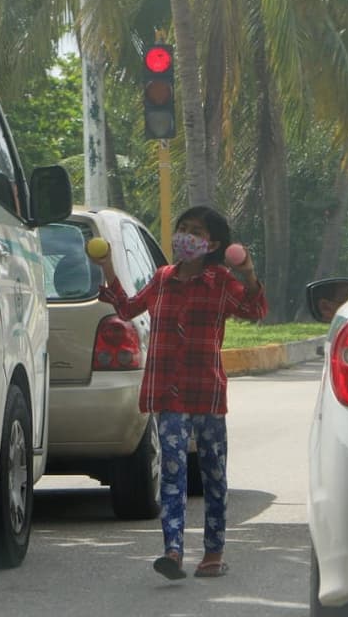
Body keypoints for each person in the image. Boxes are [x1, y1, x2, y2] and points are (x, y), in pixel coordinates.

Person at [90, 205, 267, 581]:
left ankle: (214, 553)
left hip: (206, 394)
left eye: (195, 231)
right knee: (172, 473)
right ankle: (172, 550)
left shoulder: (221, 282)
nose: (185, 236)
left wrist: (248, 271)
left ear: (212, 243)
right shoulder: (163, 278)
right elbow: (127, 307)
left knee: (213, 475)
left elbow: (254, 309)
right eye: (182, 228)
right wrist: (106, 267)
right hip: (169, 395)